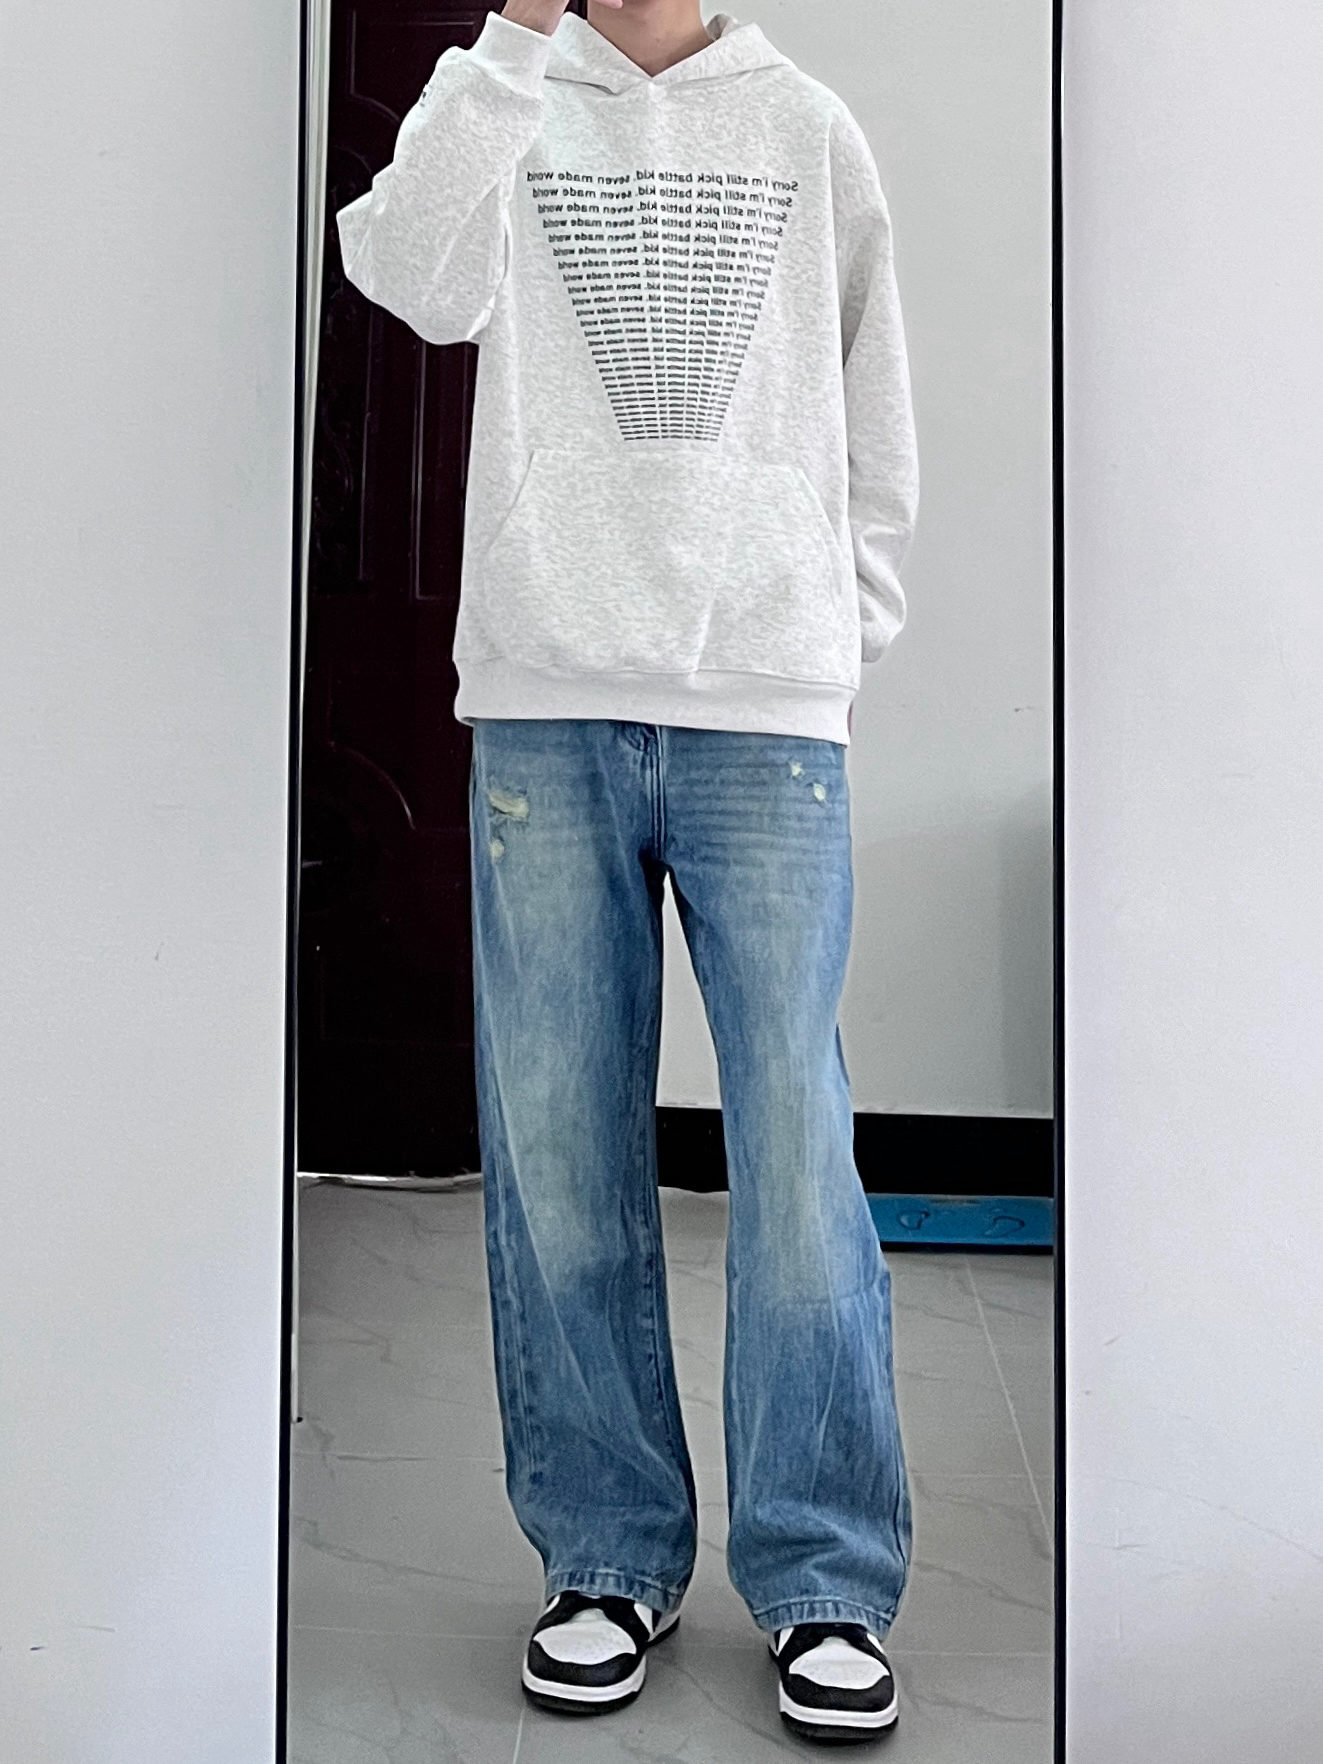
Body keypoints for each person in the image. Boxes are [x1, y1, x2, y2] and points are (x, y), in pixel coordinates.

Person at [336, 0, 919, 1742]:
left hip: (766, 714)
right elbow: (404, 272)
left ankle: (825, 1575)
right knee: (560, 1154)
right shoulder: (512, 101)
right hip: (546, 705)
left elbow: (873, 404)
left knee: (798, 1154)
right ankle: (603, 1556)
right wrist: (511, 40)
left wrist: (831, 638)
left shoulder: (806, 125)